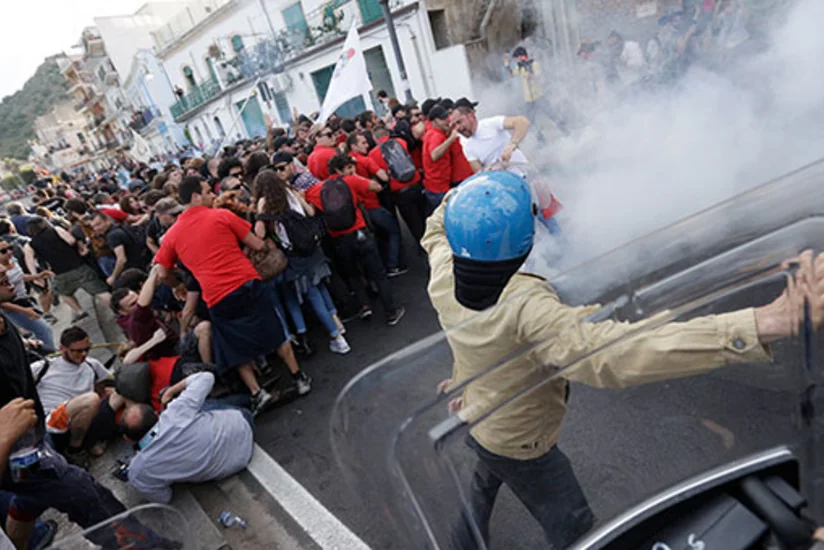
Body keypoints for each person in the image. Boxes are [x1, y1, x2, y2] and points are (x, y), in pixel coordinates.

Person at [424, 171, 824, 550]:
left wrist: (480, 191)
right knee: (576, 525)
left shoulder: (442, 271)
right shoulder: (527, 308)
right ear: (526, 239)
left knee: (483, 482)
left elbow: (435, 226)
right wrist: (760, 323)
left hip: (477, 413)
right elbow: (618, 352)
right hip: (521, 438)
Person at [154, 175, 311, 414]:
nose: (212, 195)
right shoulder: (222, 216)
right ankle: (298, 378)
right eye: (207, 191)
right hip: (247, 283)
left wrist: (177, 285)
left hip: (217, 296)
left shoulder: (172, 236)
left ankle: (259, 392)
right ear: (196, 196)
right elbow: (258, 245)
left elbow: (162, 271)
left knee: (234, 346)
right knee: (274, 331)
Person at [253, 170, 350, 355]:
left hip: (295, 254)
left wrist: (261, 215)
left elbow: (259, 234)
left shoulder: (265, 202)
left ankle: (337, 337)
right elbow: (311, 212)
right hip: (312, 245)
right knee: (321, 287)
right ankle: (337, 323)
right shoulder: (291, 191)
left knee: (313, 295)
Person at [122, 372, 254, 503]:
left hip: (235, 463)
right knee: (204, 405)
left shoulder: (138, 472)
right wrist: (171, 391)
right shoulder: (175, 411)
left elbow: (164, 497)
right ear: (157, 415)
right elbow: (206, 377)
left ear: (128, 439)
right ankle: (253, 397)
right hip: (243, 424)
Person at [305, 154, 406, 326]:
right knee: (378, 273)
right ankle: (391, 311)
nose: (352, 170)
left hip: (340, 239)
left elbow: (307, 201)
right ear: (339, 170)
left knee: (353, 275)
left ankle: (364, 306)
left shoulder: (318, 189)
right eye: (349, 167)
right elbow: (377, 187)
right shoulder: (350, 181)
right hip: (359, 233)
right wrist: (357, 177)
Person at [30, 326, 114, 468]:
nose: (83, 354)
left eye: (86, 349)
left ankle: (87, 442)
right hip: (52, 423)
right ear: (63, 348)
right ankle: (75, 450)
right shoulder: (44, 366)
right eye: (76, 351)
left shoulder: (92, 365)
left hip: (81, 420)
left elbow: (101, 390)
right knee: (91, 400)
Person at [24, 216, 109, 323]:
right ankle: (116, 309)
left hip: (59, 273)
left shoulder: (30, 245)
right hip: (78, 266)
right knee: (100, 291)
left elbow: (29, 261)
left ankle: (79, 311)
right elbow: (71, 240)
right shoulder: (56, 230)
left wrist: (36, 276)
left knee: (65, 294)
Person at [368, 126, 428, 245]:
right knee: (426, 216)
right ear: (387, 134)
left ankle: (424, 248)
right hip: (416, 183)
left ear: (375, 138)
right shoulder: (401, 142)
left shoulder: (373, 154)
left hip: (400, 192)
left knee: (414, 223)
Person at [89, 212, 150, 287]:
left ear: (107, 221)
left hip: (135, 269)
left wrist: (113, 277)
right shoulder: (122, 227)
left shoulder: (112, 236)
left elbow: (121, 259)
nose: (96, 229)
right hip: (143, 262)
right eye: (93, 227)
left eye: (98, 224)